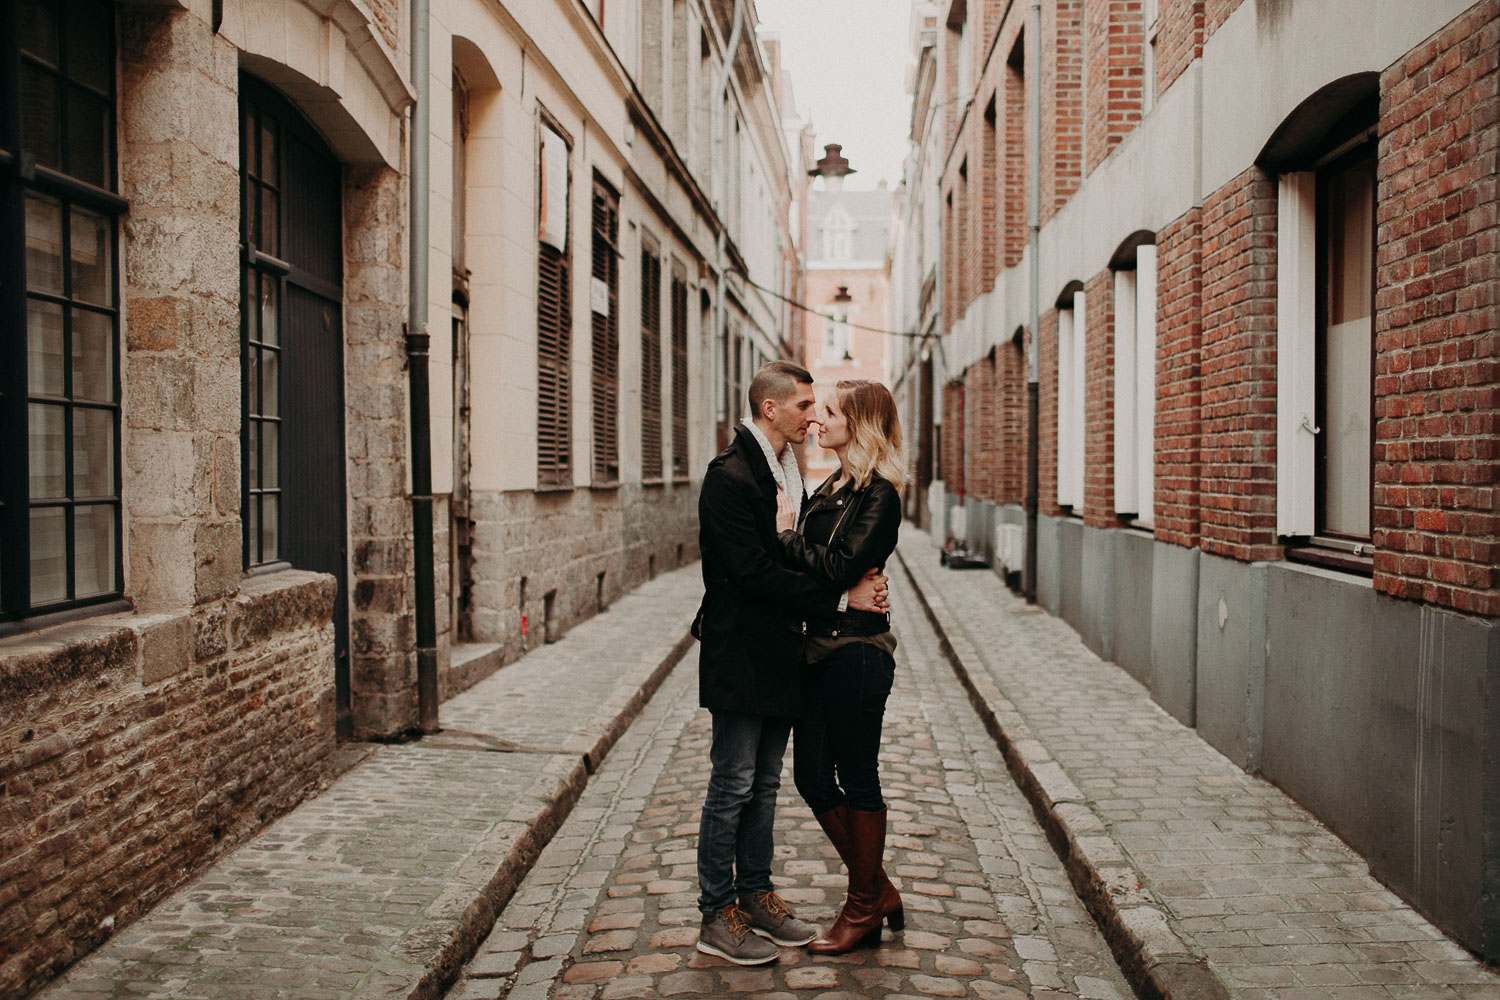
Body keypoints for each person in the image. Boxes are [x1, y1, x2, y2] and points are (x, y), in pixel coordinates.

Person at [693, 361, 889, 966]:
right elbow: (753, 573)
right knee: (732, 783)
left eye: (819, 407)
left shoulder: (787, 469)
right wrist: (840, 597)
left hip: (783, 652)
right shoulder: (730, 476)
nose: (814, 415)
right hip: (743, 652)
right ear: (771, 409)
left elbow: (810, 552)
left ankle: (756, 894)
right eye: (806, 405)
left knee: (768, 782)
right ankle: (716, 912)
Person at [774, 379, 906, 954]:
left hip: (856, 652)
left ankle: (861, 910)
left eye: (829, 412)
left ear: (860, 424)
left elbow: (838, 566)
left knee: (858, 777)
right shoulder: (833, 484)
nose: (817, 421)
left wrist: (785, 536)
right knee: (809, 777)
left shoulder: (880, 494)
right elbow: (827, 573)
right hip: (818, 647)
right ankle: (877, 888)